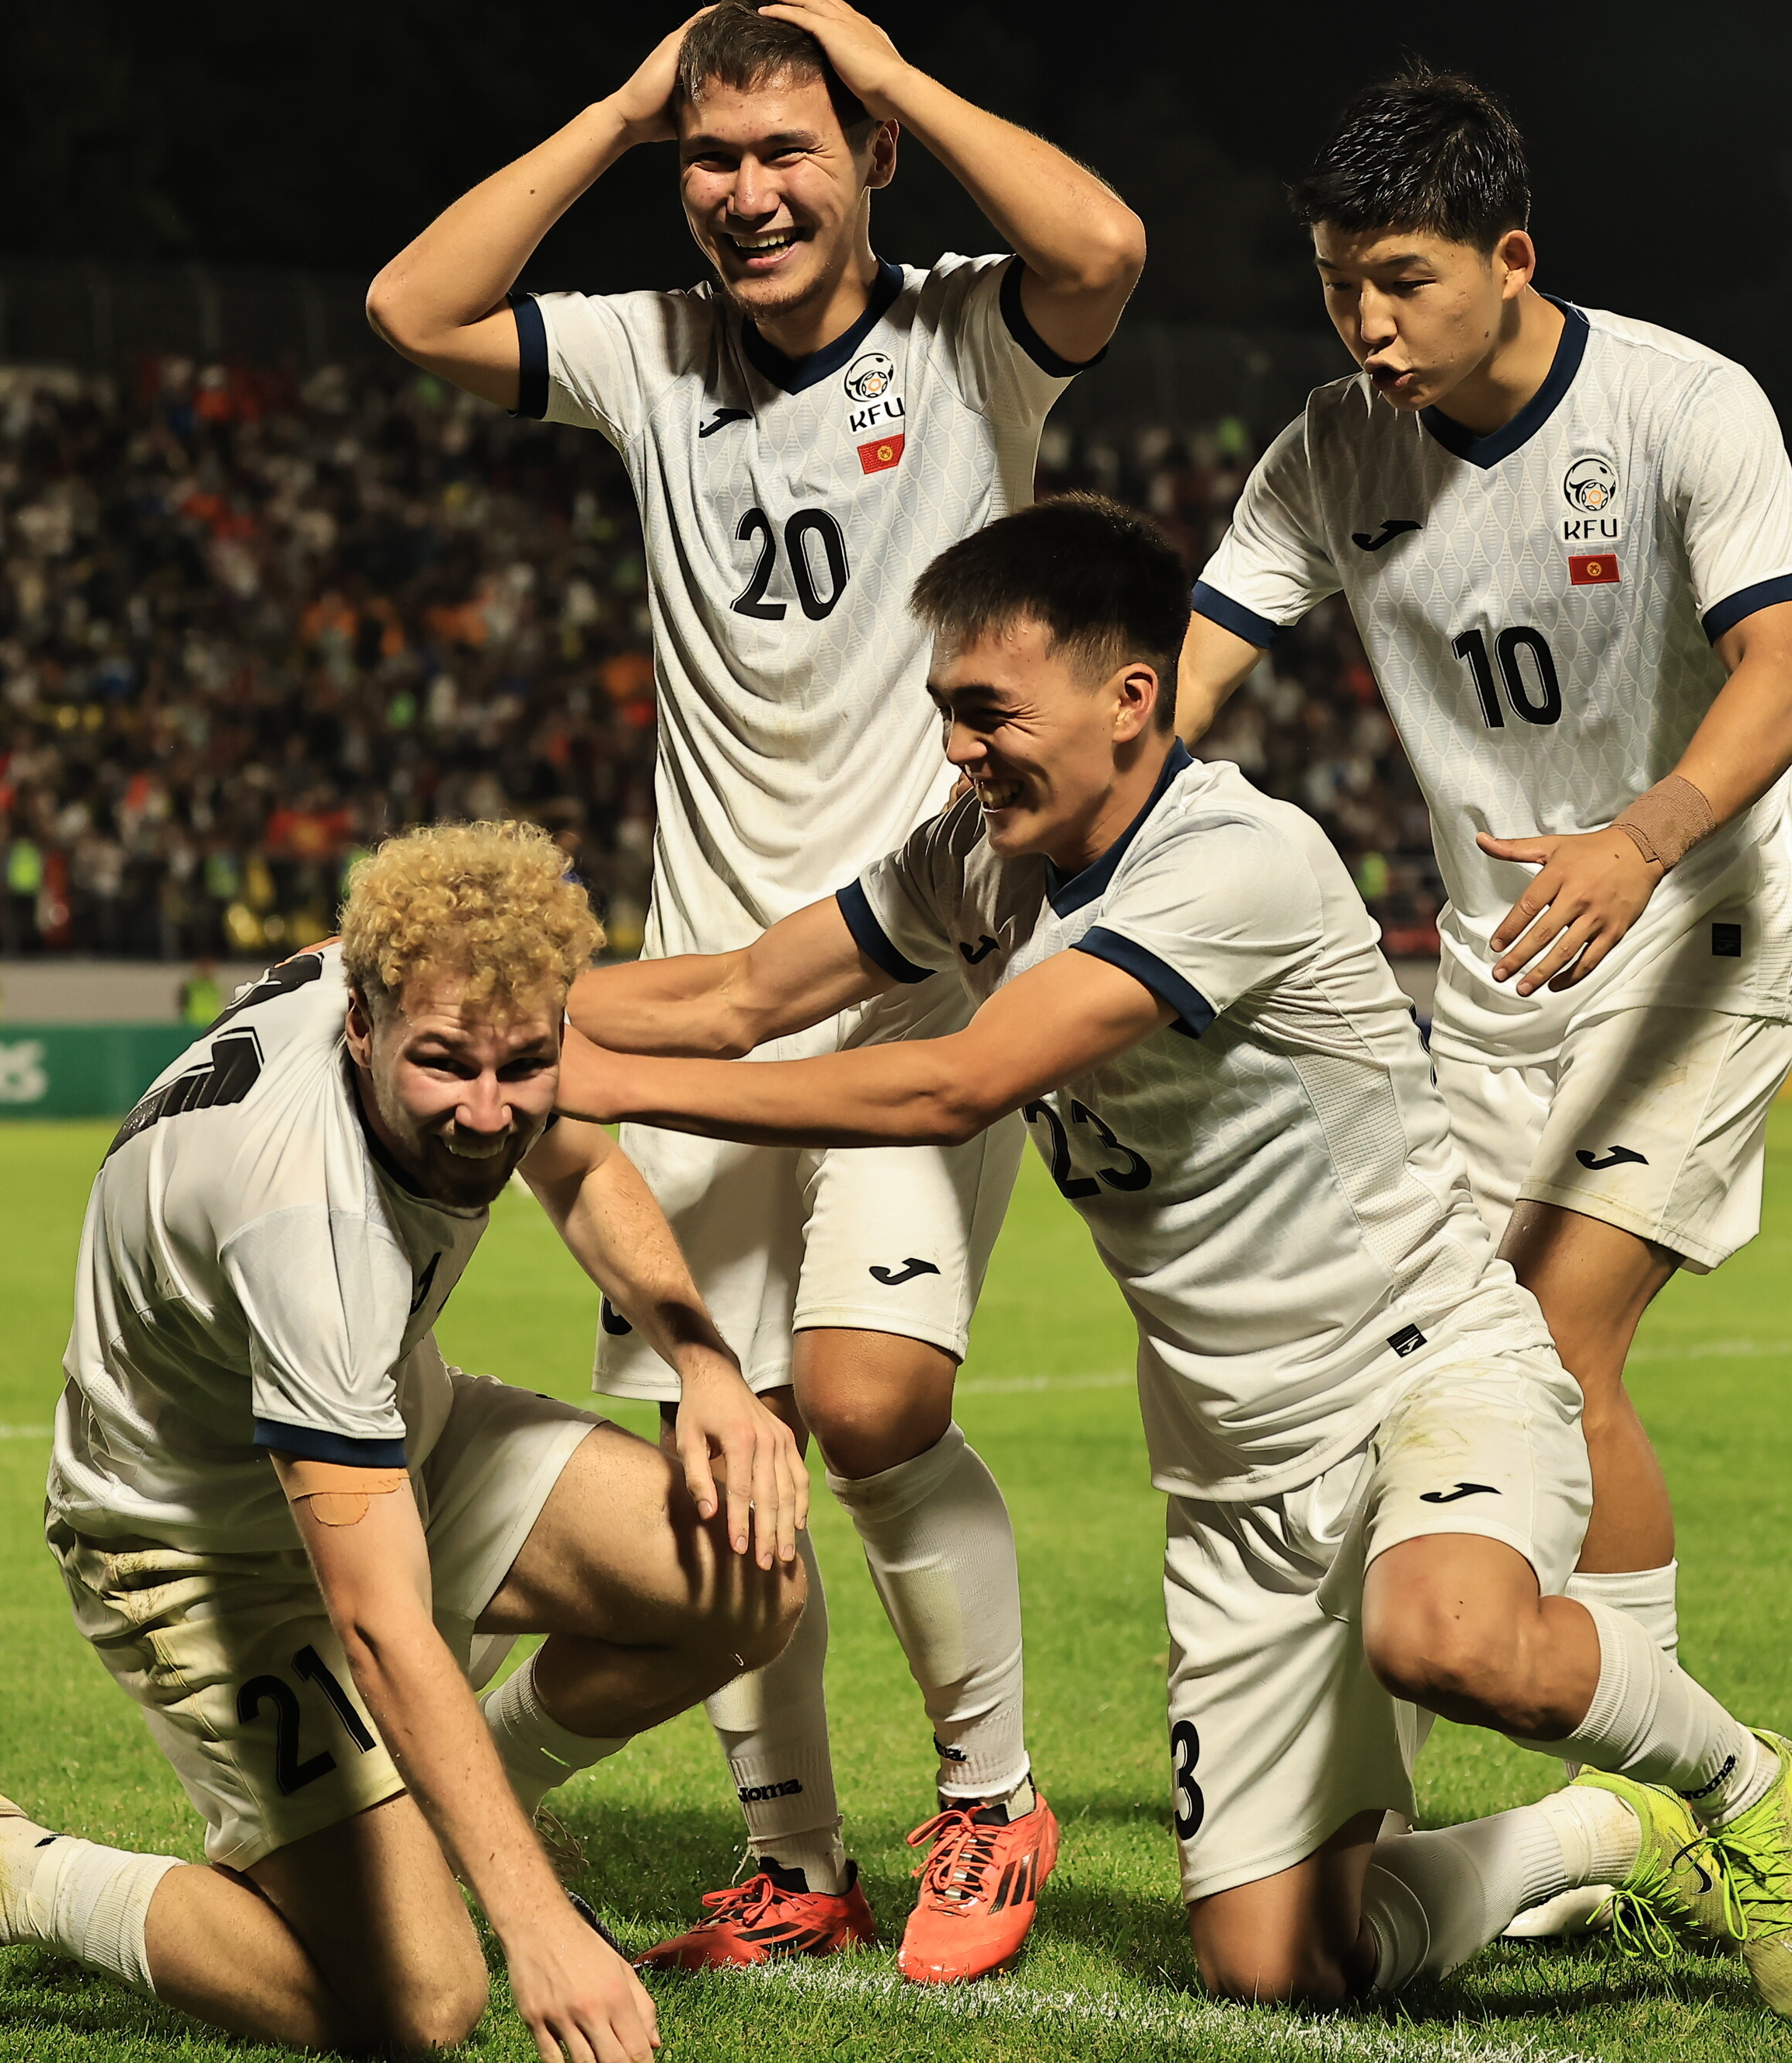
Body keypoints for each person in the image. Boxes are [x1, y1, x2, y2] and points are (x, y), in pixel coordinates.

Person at [560, 496, 1792, 2020]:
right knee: (1276, 1965)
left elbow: (951, 1084)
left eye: (989, 712)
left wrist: (590, 1082)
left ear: (1129, 696)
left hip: (1426, 1382)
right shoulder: (978, 857)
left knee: (1444, 1633)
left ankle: (1736, 1783)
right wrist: (480, 1010)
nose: (957, 749)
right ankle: (1610, 1834)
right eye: (946, 712)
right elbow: (734, 993)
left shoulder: (1232, 861)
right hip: (1233, 1474)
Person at [365, 0, 1144, 1980]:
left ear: (866, 156)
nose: (744, 192)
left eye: (788, 149)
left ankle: (989, 1796)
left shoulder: (963, 339)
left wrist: (900, 80)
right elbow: (412, 307)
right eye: (710, 159)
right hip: (698, 979)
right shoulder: (652, 351)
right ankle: (793, 1859)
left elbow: (1105, 249)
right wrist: (622, 108)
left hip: (912, 973)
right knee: (726, 1450)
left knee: (868, 1403)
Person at [1166, 61, 1792, 1928]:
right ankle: (1597, 1803)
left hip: (1695, 934)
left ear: (1511, 258)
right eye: (1336, 287)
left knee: (1551, 1339)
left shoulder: (1683, 405)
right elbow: (1189, 669)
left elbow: (1787, 676)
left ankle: (1680, 1792)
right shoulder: (1331, 452)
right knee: (1432, 1359)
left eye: (1402, 282)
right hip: (1493, 968)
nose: (1365, 327)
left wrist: (1643, 835)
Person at [0, 823, 810, 2061]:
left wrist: (705, 1363)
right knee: (426, 2006)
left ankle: (443, 1823)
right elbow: (380, 1624)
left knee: (745, 1580)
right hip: (193, 1549)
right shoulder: (306, 1221)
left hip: (385, 1433)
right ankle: (7, 1869)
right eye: (444, 1068)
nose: (489, 1111)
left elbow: (574, 1164)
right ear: (361, 1029)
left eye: (525, 1065)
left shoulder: (421, 979)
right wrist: (538, 1922)